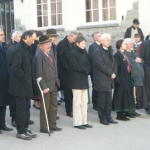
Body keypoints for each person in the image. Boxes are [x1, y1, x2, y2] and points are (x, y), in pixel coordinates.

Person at [9, 30, 37, 140]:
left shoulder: (27, 48)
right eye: (32, 39)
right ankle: (20, 131)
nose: (33, 42)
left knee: (27, 107)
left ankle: (25, 128)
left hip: (26, 84)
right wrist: (25, 78)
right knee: (21, 109)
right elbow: (16, 68)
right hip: (19, 85)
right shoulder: (18, 49)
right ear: (26, 37)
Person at [34, 35, 62, 134]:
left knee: (54, 105)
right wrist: (44, 87)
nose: (49, 46)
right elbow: (38, 73)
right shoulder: (38, 56)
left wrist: (57, 80)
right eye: (46, 44)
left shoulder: (51, 53)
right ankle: (44, 127)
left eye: (49, 44)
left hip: (54, 83)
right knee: (45, 106)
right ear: (41, 45)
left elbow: (55, 68)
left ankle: (52, 125)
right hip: (45, 85)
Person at [93, 33, 118, 125]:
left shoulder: (109, 51)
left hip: (109, 79)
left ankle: (108, 116)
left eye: (109, 40)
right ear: (102, 41)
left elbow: (114, 63)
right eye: (107, 40)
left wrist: (114, 72)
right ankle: (102, 118)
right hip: (101, 79)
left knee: (108, 100)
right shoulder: (97, 51)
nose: (109, 42)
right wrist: (111, 73)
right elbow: (100, 65)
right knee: (101, 101)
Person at [70, 35, 92, 129]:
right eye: (83, 43)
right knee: (77, 103)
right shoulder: (73, 53)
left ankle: (84, 121)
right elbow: (74, 66)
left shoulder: (84, 52)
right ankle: (77, 122)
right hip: (76, 81)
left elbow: (88, 63)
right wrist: (85, 70)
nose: (84, 45)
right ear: (77, 43)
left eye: (85, 43)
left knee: (84, 102)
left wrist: (87, 69)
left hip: (84, 80)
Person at [113, 40, 136, 120]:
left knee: (126, 96)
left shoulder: (125, 54)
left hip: (127, 77)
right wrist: (117, 79)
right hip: (121, 79)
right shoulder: (117, 55)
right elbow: (116, 68)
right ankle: (119, 114)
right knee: (120, 96)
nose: (125, 45)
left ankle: (126, 111)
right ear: (119, 45)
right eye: (124, 44)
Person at [57, 31, 78, 117]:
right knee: (67, 91)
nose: (74, 40)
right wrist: (67, 68)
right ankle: (69, 110)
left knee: (73, 91)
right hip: (65, 71)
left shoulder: (73, 44)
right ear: (69, 36)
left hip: (73, 71)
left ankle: (74, 108)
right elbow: (60, 58)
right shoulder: (62, 44)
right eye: (73, 38)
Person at [125, 38, 149, 113]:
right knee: (132, 94)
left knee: (136, 94)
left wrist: (141, 60)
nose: (132, 45)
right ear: (125, 45)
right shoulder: (125, 54)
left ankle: (134, 110)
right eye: (130, 44)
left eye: (132, 43)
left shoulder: (134, 53)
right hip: (131, 77)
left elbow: (142, 61)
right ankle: (130, 110)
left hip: (139, 77)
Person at [6, 30, 22, 127]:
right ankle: (14, 118)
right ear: (14, 38)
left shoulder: (24, 48)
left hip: (22, 78)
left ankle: (23, 118)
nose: (22, 38)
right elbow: (10, 64)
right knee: (14, 100)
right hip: (13, 78)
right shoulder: (10, 49)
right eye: (20, 36)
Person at [0, 28, 13, 134]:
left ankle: (2, 124)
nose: (3, 36)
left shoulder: (3, 47)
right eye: (1, 35)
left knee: (3, 103)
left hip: (4, 80)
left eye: (3, 34)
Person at [46, 29, 62, 106]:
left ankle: (53, 114)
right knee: (48, 97)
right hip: (48, 74)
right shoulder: (44, 46)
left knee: (53, 95)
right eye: (54, 36)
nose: (55, 38)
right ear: (50, 37)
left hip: (54, 72)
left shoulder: (54, 46)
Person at [88, 32, 101, 111]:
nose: (101, 37)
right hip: (95, 70)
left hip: (102, 71)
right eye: (99, 36)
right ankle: (95, 103)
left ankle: (100, 102)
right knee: (95, 86)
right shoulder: (92, 46)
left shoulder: (103, 45)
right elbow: (94, 58)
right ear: (95, 38)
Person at [31, 31, 43, 109]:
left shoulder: (39, 43)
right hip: (34, 66)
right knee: (35, 87)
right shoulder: (33, 44)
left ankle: (39, 102)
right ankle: (35, 102)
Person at [140, 38, 150, 114]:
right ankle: (148, 107)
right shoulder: (145, 43)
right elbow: (142, 56)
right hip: (148, 68)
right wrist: (146, 67)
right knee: (148, 87)